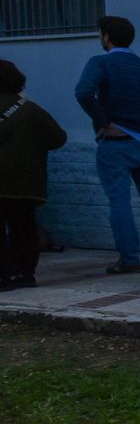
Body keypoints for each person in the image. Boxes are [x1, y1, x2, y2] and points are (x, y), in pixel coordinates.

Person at [74, 15, 140, 274]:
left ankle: (129, 258)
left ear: (106, 37)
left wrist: (103, 121)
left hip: (116, 142)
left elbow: (83, 92)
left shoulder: (100, 63)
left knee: (119, 201)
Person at [0, 60, 68, 290]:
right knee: (24, 228)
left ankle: (3, 277)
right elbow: (58, 138)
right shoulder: (30, 109)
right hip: (25, 182)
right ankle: (26, 274)